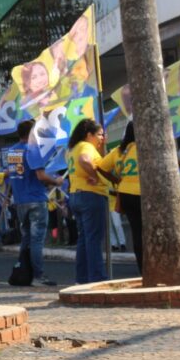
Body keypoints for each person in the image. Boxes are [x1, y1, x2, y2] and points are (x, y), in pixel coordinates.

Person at [6, 120, 64, 287]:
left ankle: (25, 272)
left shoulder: (12, 151)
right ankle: (38, 276)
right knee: (37, 240)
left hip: (20, 200)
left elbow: (13, 175)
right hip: (36, 199)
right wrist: (56, 182)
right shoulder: (32, 149)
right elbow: (41, 176)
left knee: (26, 238)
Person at [66, 118, 114, 284]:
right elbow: (85, 161)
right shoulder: (87, 147)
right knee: (93, 239)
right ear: (89, 135)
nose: (102, 137)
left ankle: (82, 278)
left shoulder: (73, 149)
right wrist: (94, 176)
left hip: (75, 195)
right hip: (91, 195)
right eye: (100, 134)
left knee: (84, 239)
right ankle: (97, 277)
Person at [99, 122, 141, 271]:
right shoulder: (146, 148)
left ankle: (142, 268)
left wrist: (115, 180)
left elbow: (101, 167)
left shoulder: (119, 151)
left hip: (124, 194)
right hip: (142, 195)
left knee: (137, 232)